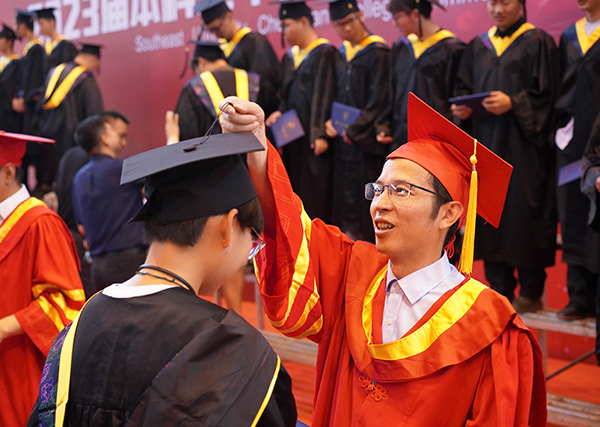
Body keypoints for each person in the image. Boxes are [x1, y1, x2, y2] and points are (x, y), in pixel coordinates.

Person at [220, 93, 546, 426]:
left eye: (401, 190)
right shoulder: (351, 273)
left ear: (449, 213)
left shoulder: (490, 328)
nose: (380, 204)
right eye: (377, 189)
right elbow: (287, 228)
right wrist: (256, 145)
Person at [27, 129, 297, 427]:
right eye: (253, 240)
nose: (248, 253)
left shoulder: (79, 325)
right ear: (228, 225)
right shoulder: (232, 346)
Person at [452, 0, 558, 312]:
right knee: (491, 213)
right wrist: (463, 110)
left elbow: (549, 97)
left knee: (524, 212)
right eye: (493, 2)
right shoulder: (478, 46)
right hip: (486, 147)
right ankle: (499, 287)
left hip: (524, 150)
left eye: (506, 2)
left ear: (520, 5)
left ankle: (531, 290)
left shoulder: (538, 41)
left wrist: (514, 102)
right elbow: (463, 88)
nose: (498, 9)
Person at [0, 131, 85, 427]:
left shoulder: (41, 223)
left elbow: (64, 302)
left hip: (22, 362)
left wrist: (4, 327)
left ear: (8, 172)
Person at [323, 0, 392, 243]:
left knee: (366, 203)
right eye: (339, 24)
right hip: (342, 144)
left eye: (350, 21)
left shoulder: (378, 52)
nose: (346, 29)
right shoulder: (339, 53)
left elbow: (379, 100)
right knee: (344, 202)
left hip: (366, 145)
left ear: (361, 14)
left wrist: (355, 130)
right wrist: (328, 122)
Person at [265, 0, 337, 223]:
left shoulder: (325, 53)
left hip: (315, 142)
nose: (284, 32)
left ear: (304, 21)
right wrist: (279, 111)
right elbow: (285, 95)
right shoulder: (289, 57)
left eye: (287, 25)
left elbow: (324, 95)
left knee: (317, 193)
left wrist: (319, 134)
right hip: (293, 140)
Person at [553, 0, 600, 320]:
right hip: (572, 142)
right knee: (572, 212)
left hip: (598, 142)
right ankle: (578, 296)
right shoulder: (570, 35)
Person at [71, 113, 147, 296]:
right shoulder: (121, 168)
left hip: (97, 267)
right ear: (104, 139)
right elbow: (164, 172)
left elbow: (81, 227)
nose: (123, 141)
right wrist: (172, 138)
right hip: (128, 264)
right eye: (113, 131)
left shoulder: (79, 178)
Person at [386, 0, 465, 150]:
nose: (395, 23)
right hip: (403, 137)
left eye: (398, 17)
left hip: (438, 140)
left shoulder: (452, 49)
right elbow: (392, 91)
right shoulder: (400, 48)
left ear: (415, 14)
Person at [194, 0, 281, 117]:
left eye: (217, 28)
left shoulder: (255, 42)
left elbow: (266, 83)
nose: (216, 34)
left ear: (229, 16)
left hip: (258, 115)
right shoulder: (221, 49)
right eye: (211, 31)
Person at [37, 43, 104, 184]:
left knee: (58, 178)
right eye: (96, 66)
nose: (95, 69)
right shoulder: (85, 78)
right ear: (93, 59)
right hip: (73, 139)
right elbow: (94, 112)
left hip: (49, 136)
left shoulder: (54, 72)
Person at [175, 40, 260, 141]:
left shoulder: (193, 87)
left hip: (211, 150)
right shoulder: (254, 80)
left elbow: (187, 133)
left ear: (200, 62)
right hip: (255, 148)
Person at [34, 7, 78, 73]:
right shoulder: (45, 47)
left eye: (41, 24)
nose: (40, 28)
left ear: (52, 22)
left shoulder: (66, 46)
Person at [0, 24, 22, 133]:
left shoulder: (17, 62)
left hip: (8, 113)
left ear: (9, 42)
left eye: (1, 39)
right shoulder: (2, 61)